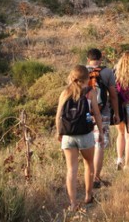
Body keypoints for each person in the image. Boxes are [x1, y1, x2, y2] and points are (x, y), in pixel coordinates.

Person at [56, 65, 102, 211]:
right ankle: (88, 197)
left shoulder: (64, 93)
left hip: (68, 136)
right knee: (89, 164)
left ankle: (73, 204)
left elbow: (58, 116)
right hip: (85, 135)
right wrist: (100, 131)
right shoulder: (90, 92)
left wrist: (59, 133)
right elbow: (97, 114)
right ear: (86, 78)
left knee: (71, 169)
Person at [86, 48, 120, 188]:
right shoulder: (107, 72)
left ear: (88, 59)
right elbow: (113, 95)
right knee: (100, 145)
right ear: (101, 58)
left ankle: (87, 176)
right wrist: (116, 113)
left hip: (85, 114)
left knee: (87, 144)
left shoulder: (81, 71)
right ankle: (96, 177)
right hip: (103, 113)